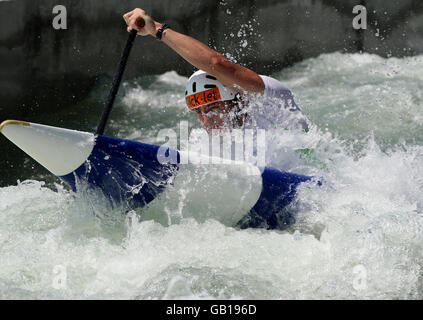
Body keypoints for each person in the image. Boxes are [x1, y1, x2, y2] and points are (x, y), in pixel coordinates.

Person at [123, 8, 309, 133]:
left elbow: (216, 63)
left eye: (213, 108)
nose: (207, 122)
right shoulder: (215, 144)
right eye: (199, 112)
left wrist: (156, 29)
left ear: (240, 102)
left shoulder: (271, 100)